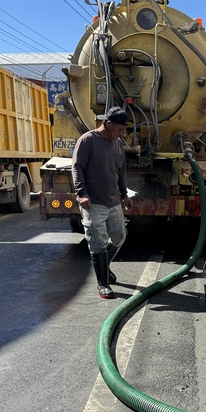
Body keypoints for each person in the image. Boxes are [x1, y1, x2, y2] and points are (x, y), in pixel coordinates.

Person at [72, 106, 133, 299]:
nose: (122, 133)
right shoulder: (88, 140)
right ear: (108, 124)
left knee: (119, 237)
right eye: (120, 129)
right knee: (97, 243)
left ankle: (104, 267)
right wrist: (81, 193)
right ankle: (103, 284)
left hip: (113, 200)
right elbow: (77, 167)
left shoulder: (117, 144)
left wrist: (124, 194)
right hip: (94, 202)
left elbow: (120, 172)